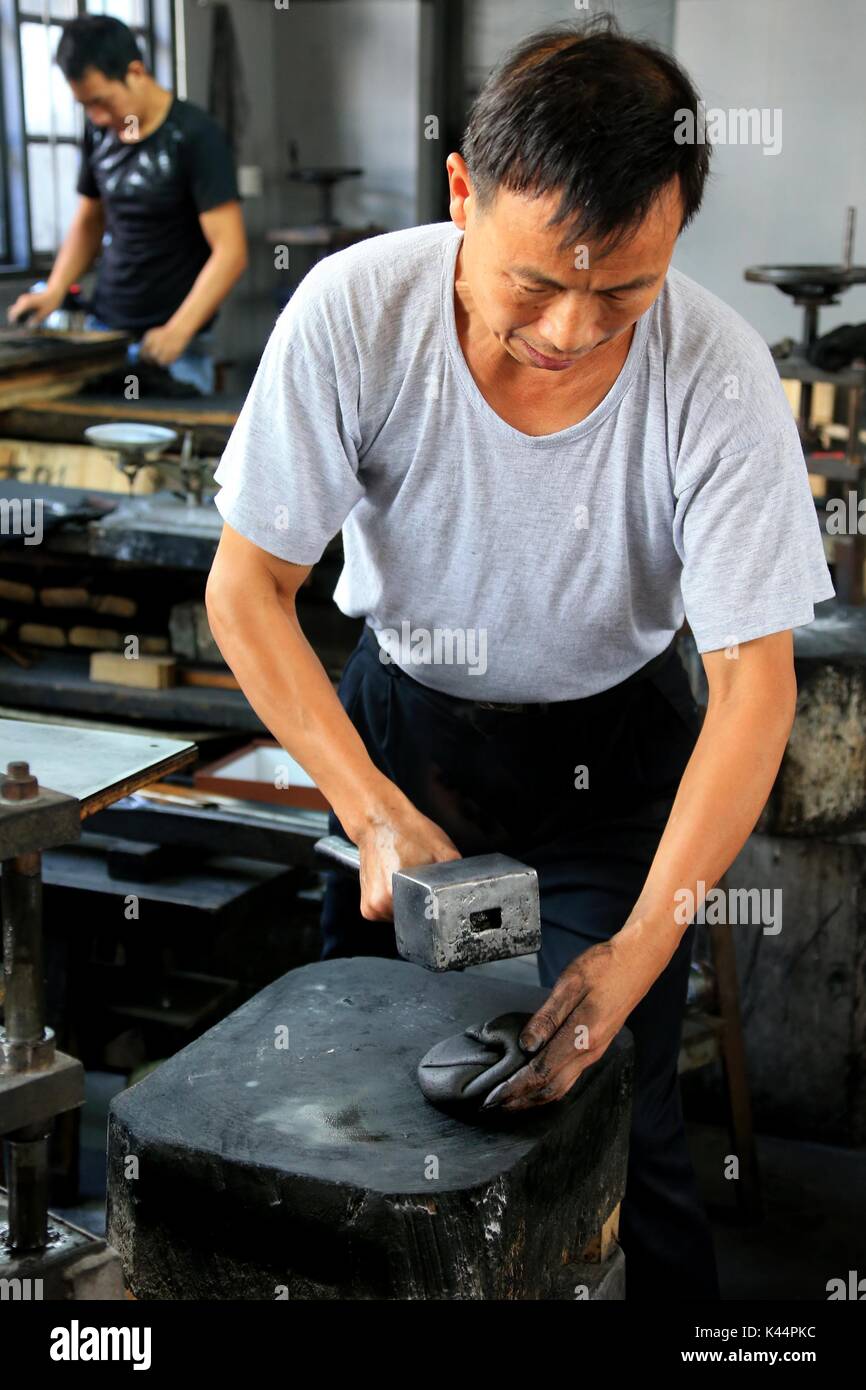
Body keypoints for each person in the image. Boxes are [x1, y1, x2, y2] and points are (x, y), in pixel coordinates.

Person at [204, 16, 834, 1299]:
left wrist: (640, 950)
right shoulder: (355, 313)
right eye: (535, 282)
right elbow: (248, 592)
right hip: (404, 745)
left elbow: (754, 683)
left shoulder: (710, 374)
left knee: (614, 1117)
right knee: (366, 1101)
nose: (571, 330)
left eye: (622, 291)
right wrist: (369, 810)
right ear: (462, 195)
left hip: (616, 758)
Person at [7, 15, 247, 395]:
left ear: (136, 72)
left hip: (176, 344)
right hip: (108, 332)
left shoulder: (195, 136)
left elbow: (230, 251)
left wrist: (178, 330)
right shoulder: (100, 133)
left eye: (102, 101)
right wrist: (53, 290)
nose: (97, 117)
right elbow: (90, 220)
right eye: (86, 106)